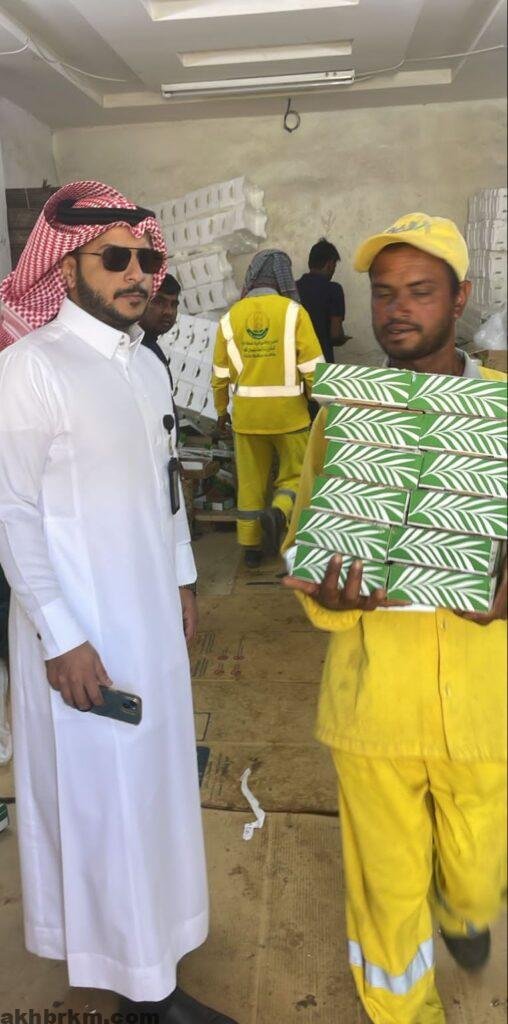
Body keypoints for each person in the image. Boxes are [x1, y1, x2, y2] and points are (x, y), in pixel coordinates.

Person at [0, 180, 237, 1024]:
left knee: (155, 792)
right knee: (109, 805)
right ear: (66, 269)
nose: (140, 273)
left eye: (148, 258)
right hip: (84, 637)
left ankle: (155, 946)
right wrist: (61, 637)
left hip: (150, 620)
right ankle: (147, 994)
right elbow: (12, 513)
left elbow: (165, 489)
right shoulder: (30, 369)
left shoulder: (142, 365)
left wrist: (182, 579)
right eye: (117, 259)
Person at [283, 213, 507, 1024]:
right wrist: (328, 598)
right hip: (373, 708)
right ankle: (402, 1011)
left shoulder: (500, 414)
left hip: (485, 706)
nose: (398, 309)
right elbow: (309, 542)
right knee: (387, 893)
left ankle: (465, 906)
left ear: (460, 298)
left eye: (420, 291)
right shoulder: (344, 417)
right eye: (383, 294)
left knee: (477, 874)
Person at [211, 249, 323, 568]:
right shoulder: (294, 313)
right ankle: (280, 512)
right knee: (297, 475)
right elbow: (313, 368)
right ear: (282, 279)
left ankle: (250, 547)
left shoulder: (229, 319)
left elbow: (219, 374)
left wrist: (222, 411)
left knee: (249, 484)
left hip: (247, 419)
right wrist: (322, 402)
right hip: (290, 417)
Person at [140, 273, 182, 439]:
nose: (168, 312)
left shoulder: (152, 347)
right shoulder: (130, 352)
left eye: (173, 304)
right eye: (159, 302)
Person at [297, 238, 348, 362]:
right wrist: (342, 338)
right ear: (329, 264)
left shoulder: (293, 289)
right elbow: (335, 334)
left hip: (296, 362)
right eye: (334, 266)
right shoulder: (333, 289)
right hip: (322, 362)